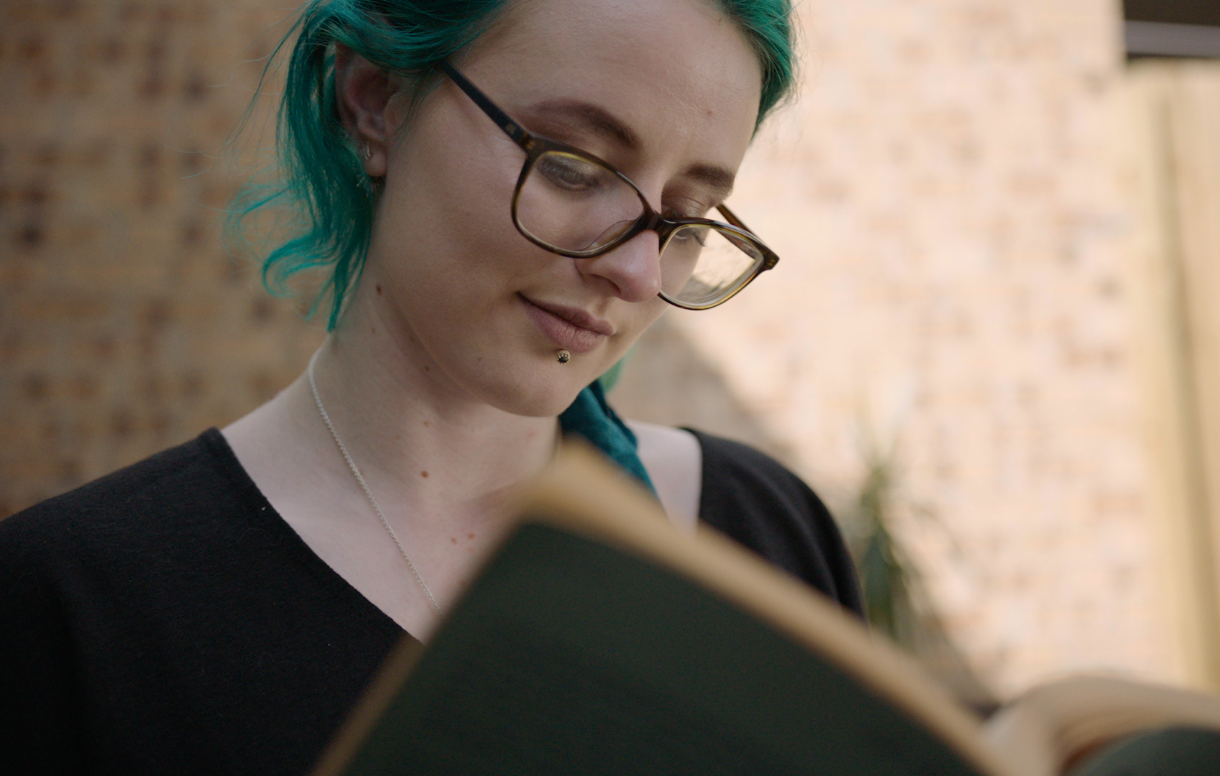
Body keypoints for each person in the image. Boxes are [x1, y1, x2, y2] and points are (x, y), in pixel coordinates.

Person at [0, 0, 861, 773]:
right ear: (374, 101)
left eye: (686, 216)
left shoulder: (767, 537)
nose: (637, 271)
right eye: (574, 165)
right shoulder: (71, 611)